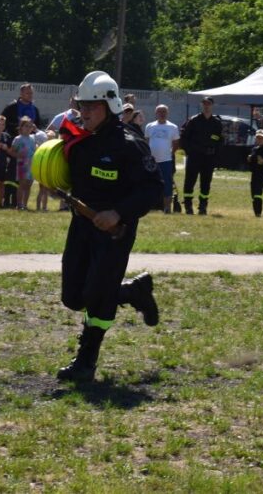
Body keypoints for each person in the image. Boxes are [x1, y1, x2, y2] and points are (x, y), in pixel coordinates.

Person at [56, 70, 162, 383]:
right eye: (82, 105)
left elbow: (153, 188)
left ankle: (86, 361)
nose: (84, 111)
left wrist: (119, 213)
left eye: (92, 106)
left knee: (97, 295)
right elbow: (68, 176)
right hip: (81, 227)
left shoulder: (130, 144)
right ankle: (133, 291)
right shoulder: (81, 141)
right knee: (73, 296)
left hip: (114, 234)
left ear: (110, 106)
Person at [180, 96, 223, 215]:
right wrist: (189, 150)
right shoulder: (194, 120)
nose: (206, 106)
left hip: (208, 157)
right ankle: (188, 206)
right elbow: (184, 137)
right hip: (194, 156)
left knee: (206, 183)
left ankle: (203, 206)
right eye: (204, 103)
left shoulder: (216, 123)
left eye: (208, 103)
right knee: (189, 181)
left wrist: (215, 153)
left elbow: (220, 140)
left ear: (212, 105)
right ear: (202, 105)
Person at [0, 83, 40, 209]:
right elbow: (3, 122)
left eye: (31, 93)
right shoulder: (12, 107)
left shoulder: (35, 109)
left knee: (26, 181)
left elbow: (37, 127)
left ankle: (23, 203)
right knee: (11, 176)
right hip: (15, 143)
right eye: (28, 93)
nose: (30, 95)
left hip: (29, 145)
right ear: (21, 94)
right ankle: (8, 200)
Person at [144, 104, 180, 213]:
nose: (162, 114)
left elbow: (176, 144)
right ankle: (148, 206)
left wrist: (170, 154)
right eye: (160, 111)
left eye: (164, 111)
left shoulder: (173, 127)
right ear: (156, 113)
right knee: (150, 182)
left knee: (167, 183)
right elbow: (146, 142)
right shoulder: (149, 126)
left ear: (167, 113)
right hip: (151, 161)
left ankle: (167, 208)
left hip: (166, 161)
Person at [9, 115, 37, 210]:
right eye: (26, 126)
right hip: (22, 164)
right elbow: (12, 151)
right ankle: (19, 204)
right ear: (21, 127)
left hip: (31, 164)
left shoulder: (33, 139)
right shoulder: (18, 139)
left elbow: (35, 150)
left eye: (30, 126)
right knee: (22, 184)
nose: (28, 128)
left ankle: (25, 204)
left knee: (29, 184)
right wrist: (18, 155)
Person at [247, 129, 263, 217]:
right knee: (253, 194)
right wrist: (250, 160)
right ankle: (256, 212)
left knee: (258, 193)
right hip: (254, 174)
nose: (259, 140)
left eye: (261, 138)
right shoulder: (254, 149)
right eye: (258, 138)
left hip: (262, 174)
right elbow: (251, 164)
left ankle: (258, 213)